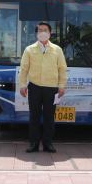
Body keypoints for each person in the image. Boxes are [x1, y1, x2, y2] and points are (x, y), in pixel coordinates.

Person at [18, 22, 67, 153]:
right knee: (34, 116)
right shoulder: (29, 49)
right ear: (36, 33)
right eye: (40, 30)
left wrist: (61, 86)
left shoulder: (57, 50)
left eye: (45, 30)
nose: (43, 32)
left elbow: (62, 69)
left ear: (50, 33)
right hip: (34, 87)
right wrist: (22, 85)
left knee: (49, 117)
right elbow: (24, 69)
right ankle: (33, 144)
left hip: (51, 88)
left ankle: (48, 143)